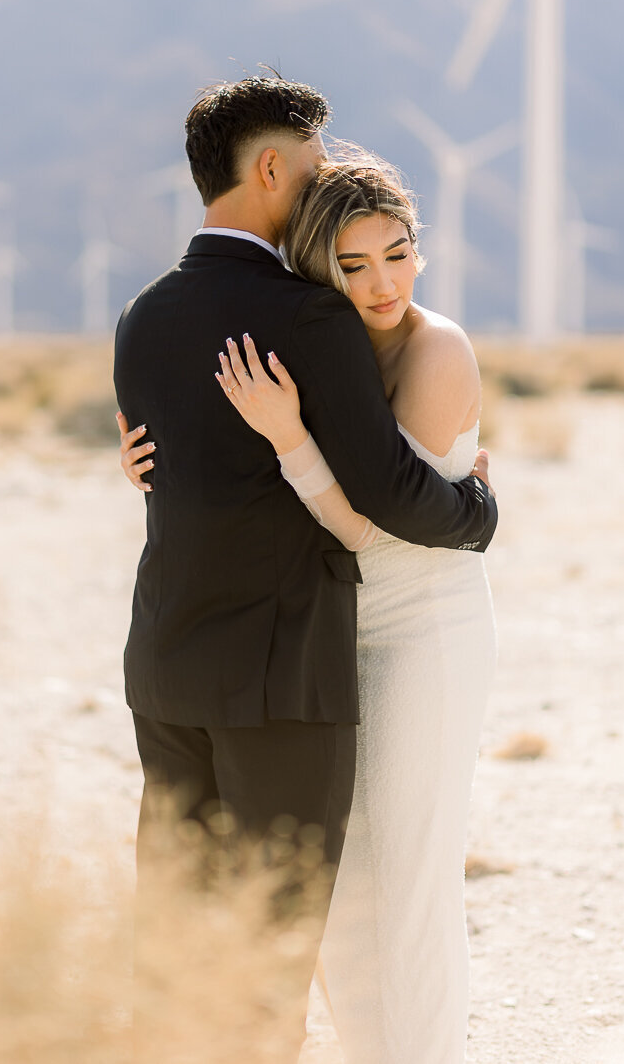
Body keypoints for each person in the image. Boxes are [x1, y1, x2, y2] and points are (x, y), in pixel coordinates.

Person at [113, 76, 497, 1060]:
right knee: (277, 940)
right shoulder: (307, 317)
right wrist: (477, 510)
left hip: (168, 664)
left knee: (180, 932)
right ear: (274, 168)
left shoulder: (142, 316)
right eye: (316, 166)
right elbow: (387, 495)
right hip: (284, 676)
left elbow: (173, 468)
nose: (323, 182)